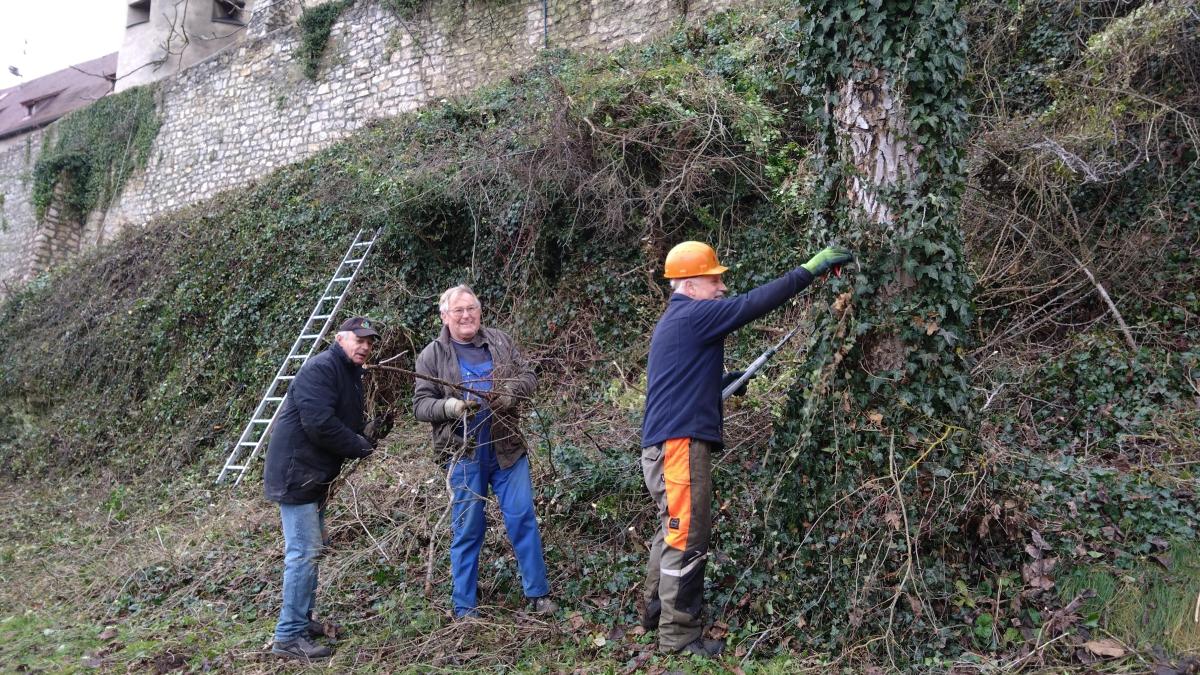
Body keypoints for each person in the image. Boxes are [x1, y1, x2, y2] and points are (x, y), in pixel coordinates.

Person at [640, 241, 853, 656]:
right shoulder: (692, 314)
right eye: (714, 279)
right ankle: (678, 637)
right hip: (678, 448)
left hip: (669, 443)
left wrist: (717, 385)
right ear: (688, 284)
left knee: (674, 530)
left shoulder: (678, 322)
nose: (721, 287)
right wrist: (807, 271)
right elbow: (750, 305)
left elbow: (674, 385)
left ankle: (653, 612)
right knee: (688, 537)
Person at [413, 284, 556, 619]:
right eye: (459, 310)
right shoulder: (432, 355)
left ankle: (538, 594)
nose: (466, 316)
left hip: (506, 448)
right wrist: (449, 406)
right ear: (444, 316)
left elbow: (529, 377)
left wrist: (510, 394)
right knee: (468, 528)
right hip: (464, 453)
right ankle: (465, 606)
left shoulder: (500, 341)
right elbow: (420, 405)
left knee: (522, 518)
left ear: (480, 311)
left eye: (472, 309)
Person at [263, 316, 383, 660]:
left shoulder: (349, 374)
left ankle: (303, 619)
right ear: (339, 338)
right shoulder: (321, 369)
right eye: (358, 340)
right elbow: (320, 425)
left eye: (369, 342)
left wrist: (368, 432)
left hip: (315, 475)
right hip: (296, 475)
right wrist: (360, 446)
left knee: (314, 548)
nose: (364, 347)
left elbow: (346, 420)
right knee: (303, 551)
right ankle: (287, 637)